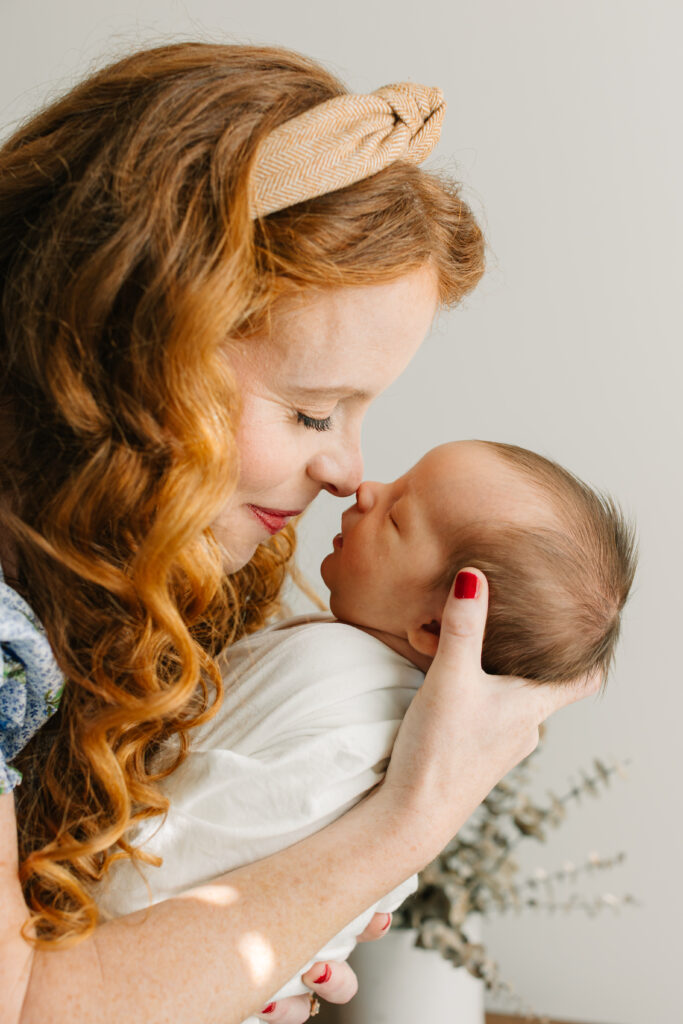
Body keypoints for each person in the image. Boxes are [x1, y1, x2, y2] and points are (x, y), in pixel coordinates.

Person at [0, 42, 602, 1024]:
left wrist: (214, 963)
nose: (348, 470)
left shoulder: (120, 584)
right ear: (136, 354)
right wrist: (404, 821)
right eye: (315, 412)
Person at [93, 439, 636, 1021]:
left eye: (398, 514)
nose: (364, 489)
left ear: (436, 624)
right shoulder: (410, 742)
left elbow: (144, 882)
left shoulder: (337, 683)